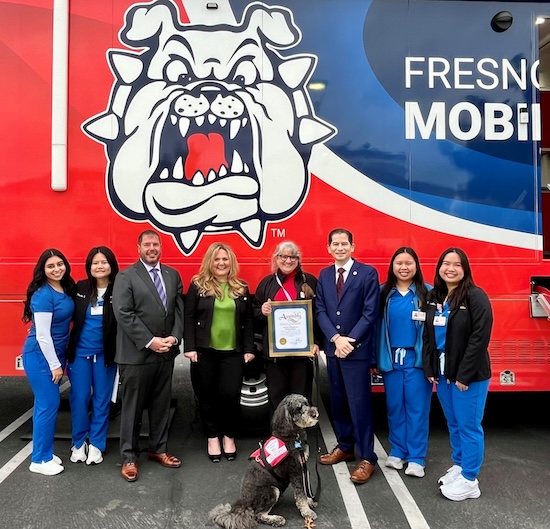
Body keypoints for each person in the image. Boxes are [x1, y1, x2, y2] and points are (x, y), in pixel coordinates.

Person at [112, 230, 184, 482]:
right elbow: (124, 313)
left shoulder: (172, 275)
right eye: (147, 244)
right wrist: (151, 341)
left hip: (165, 353)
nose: (152, 248)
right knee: (132, 408)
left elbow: (178, 311)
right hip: (136, 355)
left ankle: (158, 448)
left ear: (161, 247)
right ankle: (129, 457)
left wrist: (174, 339)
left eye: (155, 244)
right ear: (139, 247)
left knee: (161, 405)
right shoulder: (125, 276)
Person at [423, 247, 492, 501]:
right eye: (445, 263)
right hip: (442, 375)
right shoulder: (434, 295)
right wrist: (430, 368)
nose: (450, 268)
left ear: (465, 269)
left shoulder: (475, 296)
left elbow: (479, 338)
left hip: (468, 377)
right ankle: (460, 465)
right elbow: (428, 335)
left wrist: (464, 375)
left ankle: (470, 479)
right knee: (453, 423)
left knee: (469, 426)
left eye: (456, 264)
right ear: (439, 267)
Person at [316, 229, 380, 484]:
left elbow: (370, 312)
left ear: (353, 246)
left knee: (359, 405)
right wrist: (335, 339)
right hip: (335, 349)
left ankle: (367, 458)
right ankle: (345, 446)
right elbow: (320, 309)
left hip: (356, 350)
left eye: (344, 244)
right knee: (339, 401)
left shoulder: (367, 273)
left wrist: (348, 341)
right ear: (328, 248)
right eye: (335, 244)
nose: (340, 248)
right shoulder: (324, 274)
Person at [184, 243, 254, 462]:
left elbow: (249, 320)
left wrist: (249, 348)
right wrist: (190, 348)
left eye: (225, 259)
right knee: (207, 397)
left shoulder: (241, 287)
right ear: (210, 262)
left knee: (231, 396)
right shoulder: (198, 286)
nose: (221, 263)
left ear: (231, 262)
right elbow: (188, 317)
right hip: (205, 351)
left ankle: (229, 436)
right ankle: (212, 437)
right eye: (217, 259)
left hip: (233, 352)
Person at [376, 247, 432, 478]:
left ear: (416, 266)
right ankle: (398, 451)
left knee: (417, 409)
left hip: (416, 360)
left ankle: (417, 457)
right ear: (392, 266)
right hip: (392, 359)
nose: (404, 267)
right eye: (399, 263)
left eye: (409, 263)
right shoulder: (383, 293)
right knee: (395, 406)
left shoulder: (427, 293)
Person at [22, 249, 75, 476]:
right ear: (43, 270)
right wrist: (55, 365)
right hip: (40, 356)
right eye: (51, 266)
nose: (57, 269)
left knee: (46, 405)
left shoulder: (63, 288)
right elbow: (43, 335)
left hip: (53, 355)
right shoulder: (44, 295)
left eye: (60, 264)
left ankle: (44, 452)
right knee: (48, 404)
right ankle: (39, 460)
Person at [253, 241, 320, 416]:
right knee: (277, 398)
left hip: (301, 354)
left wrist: (317, 342)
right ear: (277, 258)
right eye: (284, 256)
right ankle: (279, 439)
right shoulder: (267, 283)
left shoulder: (310, 281)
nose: (288, 260)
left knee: (301, 398)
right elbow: (253, 312)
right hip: (275, 354)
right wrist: (262, 310)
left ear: (298, 259)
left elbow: (319, 314)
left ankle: (299, 440)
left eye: (293, 257)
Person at [66, 246, 119, 466]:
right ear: (89, 266)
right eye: (95, 262)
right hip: (80, 355)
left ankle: (97, 444)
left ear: (111, 265)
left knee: (102, 400)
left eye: (104, 262)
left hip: (106, 356)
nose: (99, 266)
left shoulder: (120, 289)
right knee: (79, 399)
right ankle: (79, 443)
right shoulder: (81, 287)